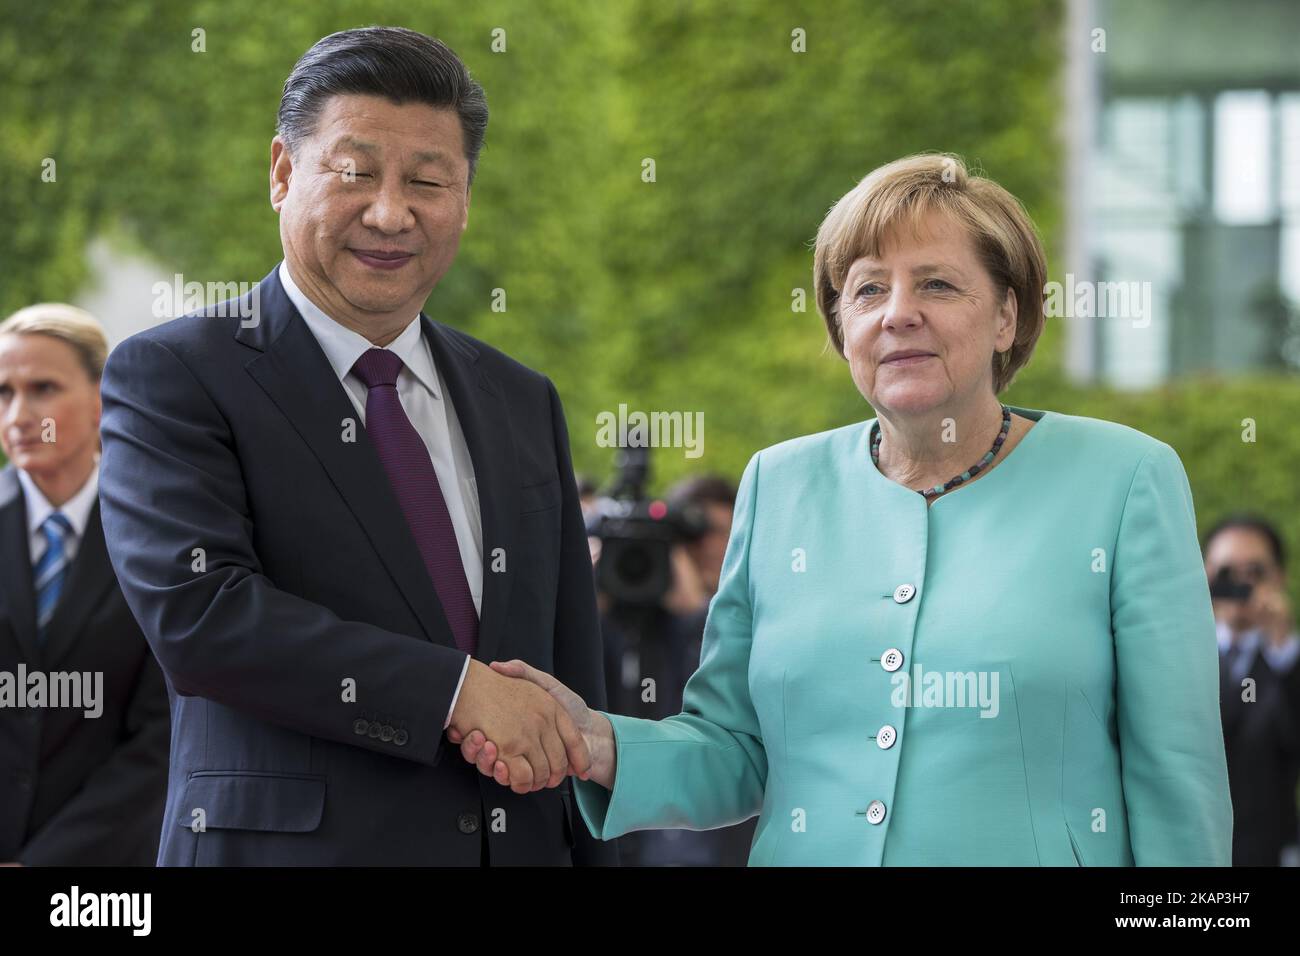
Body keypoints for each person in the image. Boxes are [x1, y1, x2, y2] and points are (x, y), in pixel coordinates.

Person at [451, 153, 1233, 865]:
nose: (897, 313)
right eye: (867, 288)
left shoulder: (1124, 478)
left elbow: (1177, 777)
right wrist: (596, 740)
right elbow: (740, 752)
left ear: (1008, 317)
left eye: (937, 283)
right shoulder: (778, 483)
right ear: (842, 326)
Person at [97, 27, 612, 866]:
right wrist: (455, 691)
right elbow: (202, 617)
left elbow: (570, 680)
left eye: (428, 181)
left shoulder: (521, 398)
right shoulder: (174, 375)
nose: (390, 212)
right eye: (355, 172)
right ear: (281, 173)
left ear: (465, 197)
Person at [0, 304, 169, 865]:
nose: (19, 415)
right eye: (4, 393)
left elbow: (161, 735)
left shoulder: (161, 534)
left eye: (43, 388)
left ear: (103, 398)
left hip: (102, 870)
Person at [1203, 514, 1300, 865]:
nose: (1241, 585)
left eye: (1255, 573)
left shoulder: (1288, 660)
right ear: (1206, 574)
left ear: (1279, 578)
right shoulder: (1177, 655)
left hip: (1273, 850)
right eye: (1227, 574)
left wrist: (1282, 651)